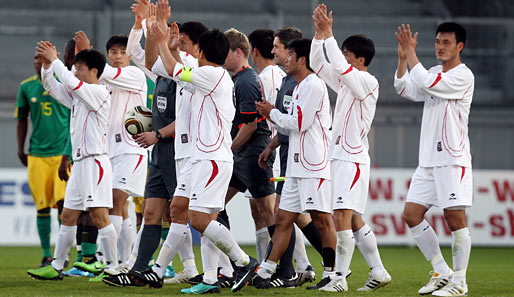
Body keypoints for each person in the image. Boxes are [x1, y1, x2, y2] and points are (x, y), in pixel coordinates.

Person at [148, 9, 258, 293]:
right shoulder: (205, 75)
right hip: (199, 158)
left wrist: (161, 38)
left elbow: (173, 69)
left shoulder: (212, 74)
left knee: (199, 220)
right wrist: (162, 41)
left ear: (202, 51)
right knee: (179, 209)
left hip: (211, 159)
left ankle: (243, 262)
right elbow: (161, 67)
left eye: (194, 48)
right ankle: (210, 278)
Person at [311, 4, 391, 292]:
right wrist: (320, 35)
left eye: (346, 55)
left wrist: (330, 34)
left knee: (342, 218)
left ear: (360, 59)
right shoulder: (347, 82)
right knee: (355, 220)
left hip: (352, 160)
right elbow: (319, 64)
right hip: (340, 158)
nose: (342, 60)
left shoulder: (367, 82)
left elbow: (339, 68)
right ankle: (379, 271)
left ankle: (339, 278)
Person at [249, 38, 339, 292]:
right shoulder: (299, 86)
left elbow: (298, 122)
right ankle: (266, 270)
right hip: (297, 166)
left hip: (313, 165)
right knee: (283, 218)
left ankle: (333, 275)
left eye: (289, 55)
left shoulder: (314, 85)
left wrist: (270, 112)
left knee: (322, 219)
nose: (285, 60)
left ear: (301, 59)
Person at [394, 22, 474, 297]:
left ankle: (460, 281)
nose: (440, 47)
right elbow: (406, 89)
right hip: (428, 160)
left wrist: (412, 55)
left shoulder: (463, 76)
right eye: (438, 42)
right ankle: (441, 271)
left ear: (459, 46)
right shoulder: (432, 71)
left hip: (452, 158)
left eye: (446, 42)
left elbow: (427, 84)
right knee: (411, 215)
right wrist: (403, 59)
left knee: (454, 218)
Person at [27, 42, 117, 280]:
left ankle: (114, 267)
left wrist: (55, 61)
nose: (76, 72)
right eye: (74, 67)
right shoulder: (79, 95)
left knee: (99, 216)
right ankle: (56, 266)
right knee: (68, 215)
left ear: (94, 72)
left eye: (80, 67)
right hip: (80, 164)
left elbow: (71, 82)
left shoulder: (98, 92)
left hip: (95, 162)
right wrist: (48, 66)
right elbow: (52, 87)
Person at [257, 27, 322, 286]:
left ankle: (292, 271)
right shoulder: (287, 81)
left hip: (306, 158)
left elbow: (295, 122)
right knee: (289, 215)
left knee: (310, 216)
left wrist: (271, 113)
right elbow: (286, 126)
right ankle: (299, 267)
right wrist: (272, 146)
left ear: (292, 51)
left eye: (278, 47)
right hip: (288, 153)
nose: (273, 51)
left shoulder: (305, 83)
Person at [15, 47, 70, 268]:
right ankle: (47, 254)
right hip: (37, 154)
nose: (38, 61)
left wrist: (69, 151)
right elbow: (21, 119)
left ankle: (61, 254)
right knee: (42, 206)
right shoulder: (26, 87)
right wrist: (20, 148)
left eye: (42, 57)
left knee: (63, 204)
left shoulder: (63, 85)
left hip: (61, 154)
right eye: (36, 58)